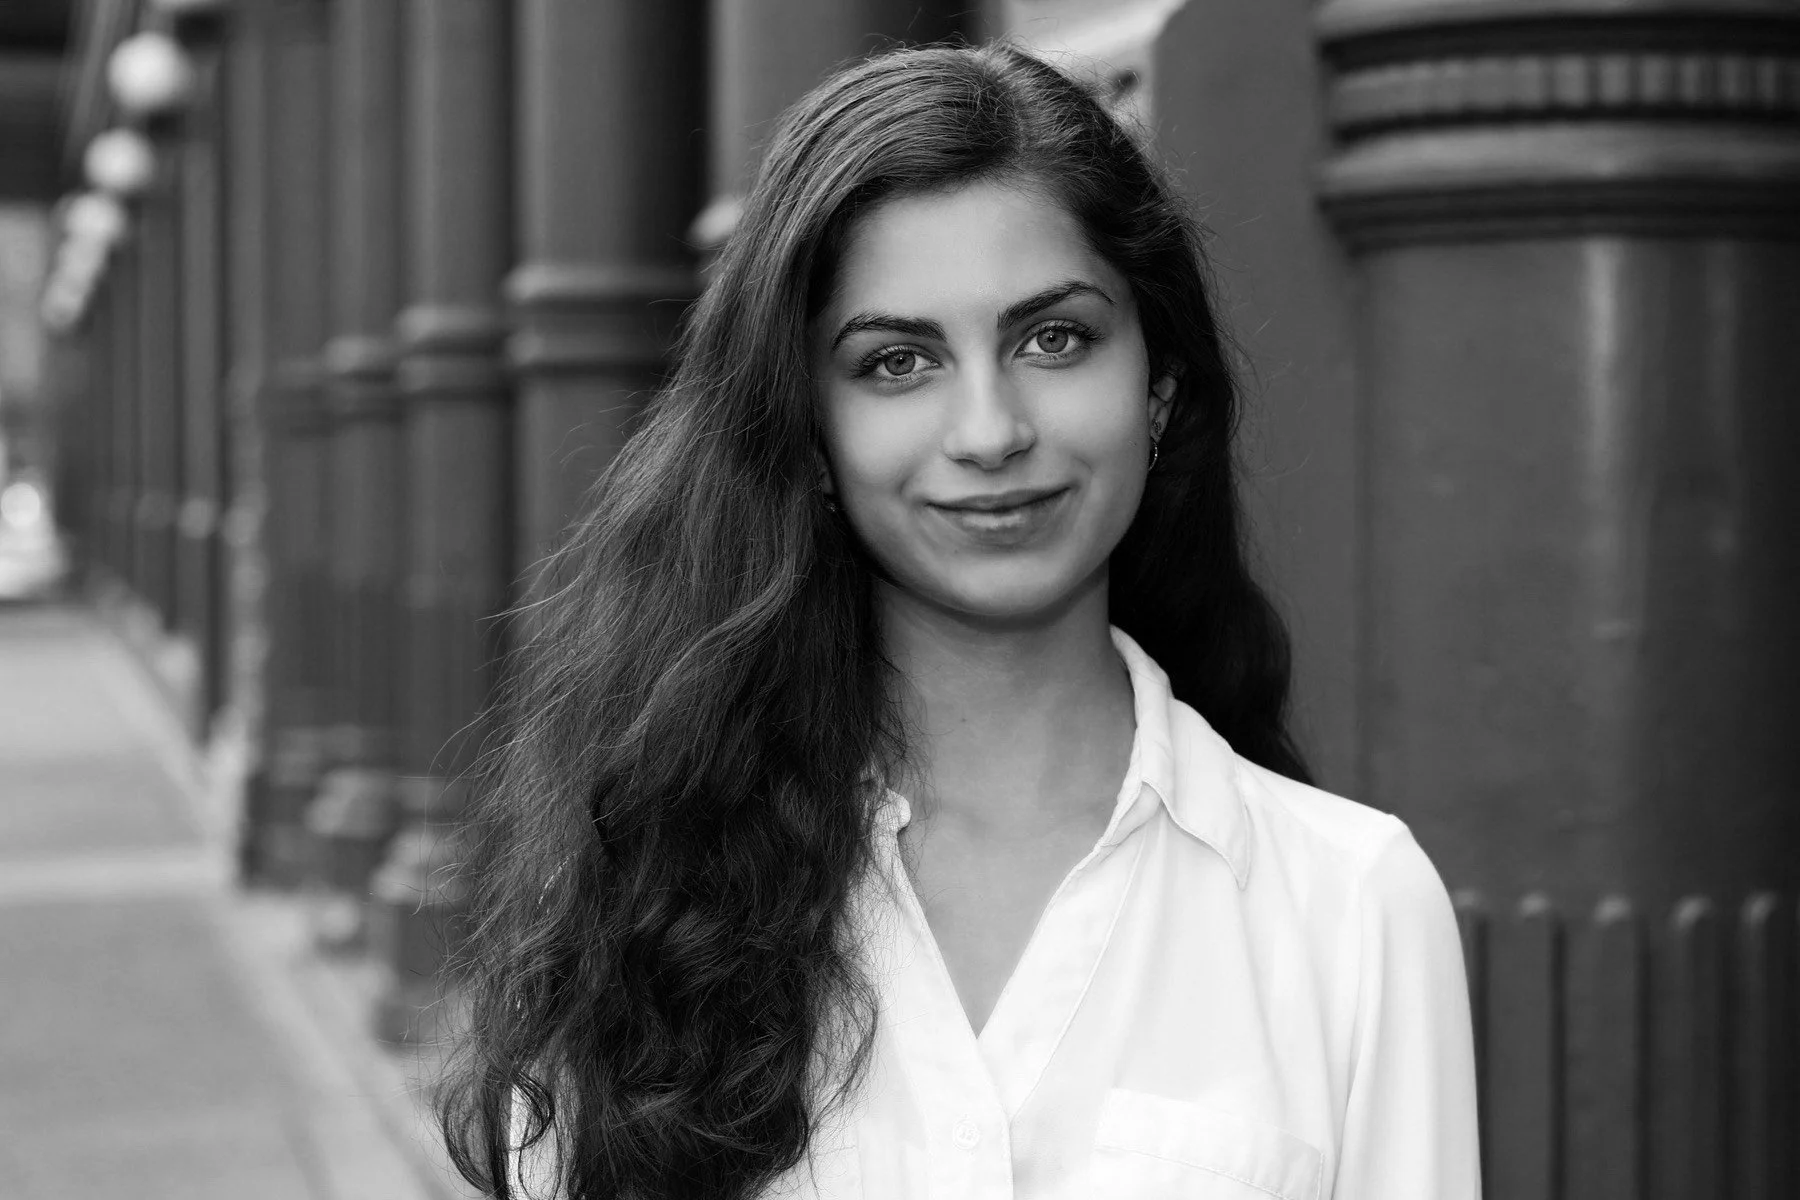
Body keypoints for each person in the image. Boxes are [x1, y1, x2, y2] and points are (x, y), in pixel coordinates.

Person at [436, 41, 1481, 1200]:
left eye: (1053, 339)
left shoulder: (1351, 908)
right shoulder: (643, 895)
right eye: (896, 362)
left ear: (1160, 386)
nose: (989, 431)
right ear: (811, 438)